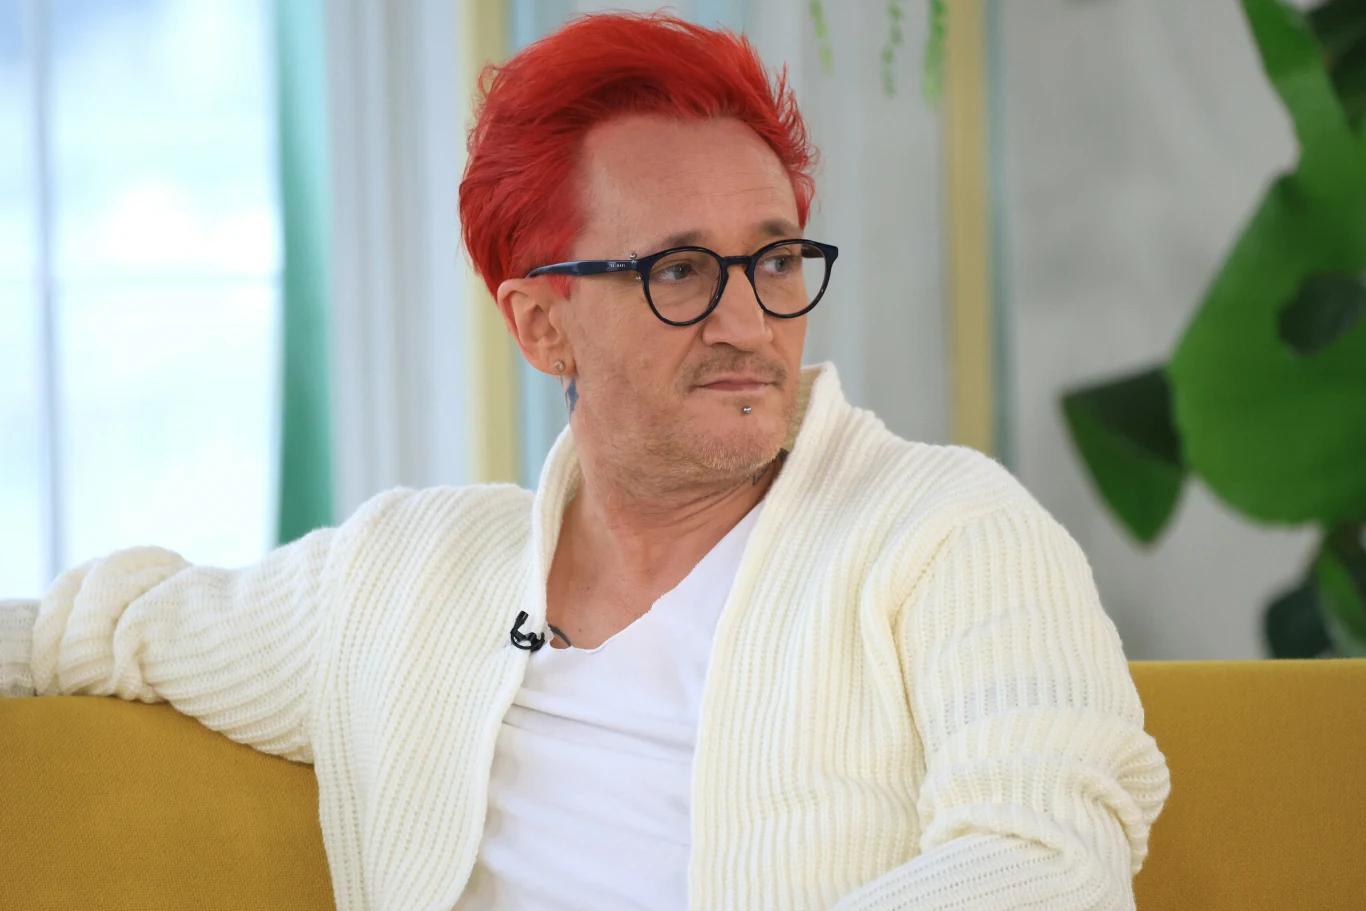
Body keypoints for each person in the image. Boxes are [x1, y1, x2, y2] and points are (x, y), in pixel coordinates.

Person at [0, 12, 1169, 911]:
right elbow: (101, 628)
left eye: (773, 260)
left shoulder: (948, 533)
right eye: (677, 271)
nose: (748, 321)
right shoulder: (404, 576)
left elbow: (1047, 863)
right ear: (540, 326)